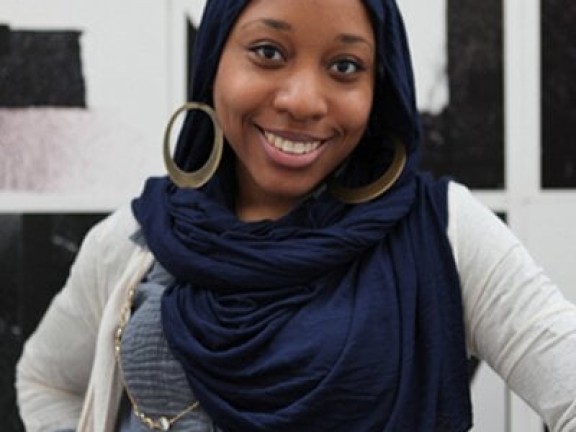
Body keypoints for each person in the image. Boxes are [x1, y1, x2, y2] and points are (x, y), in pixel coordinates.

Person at [15, 0, 576, 430]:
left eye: (345, 65)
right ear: (213, 60)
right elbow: (46, 380)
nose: (303, 100)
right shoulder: (140, 237)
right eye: (268, 52)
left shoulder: (442, 232)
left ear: (379, 86)